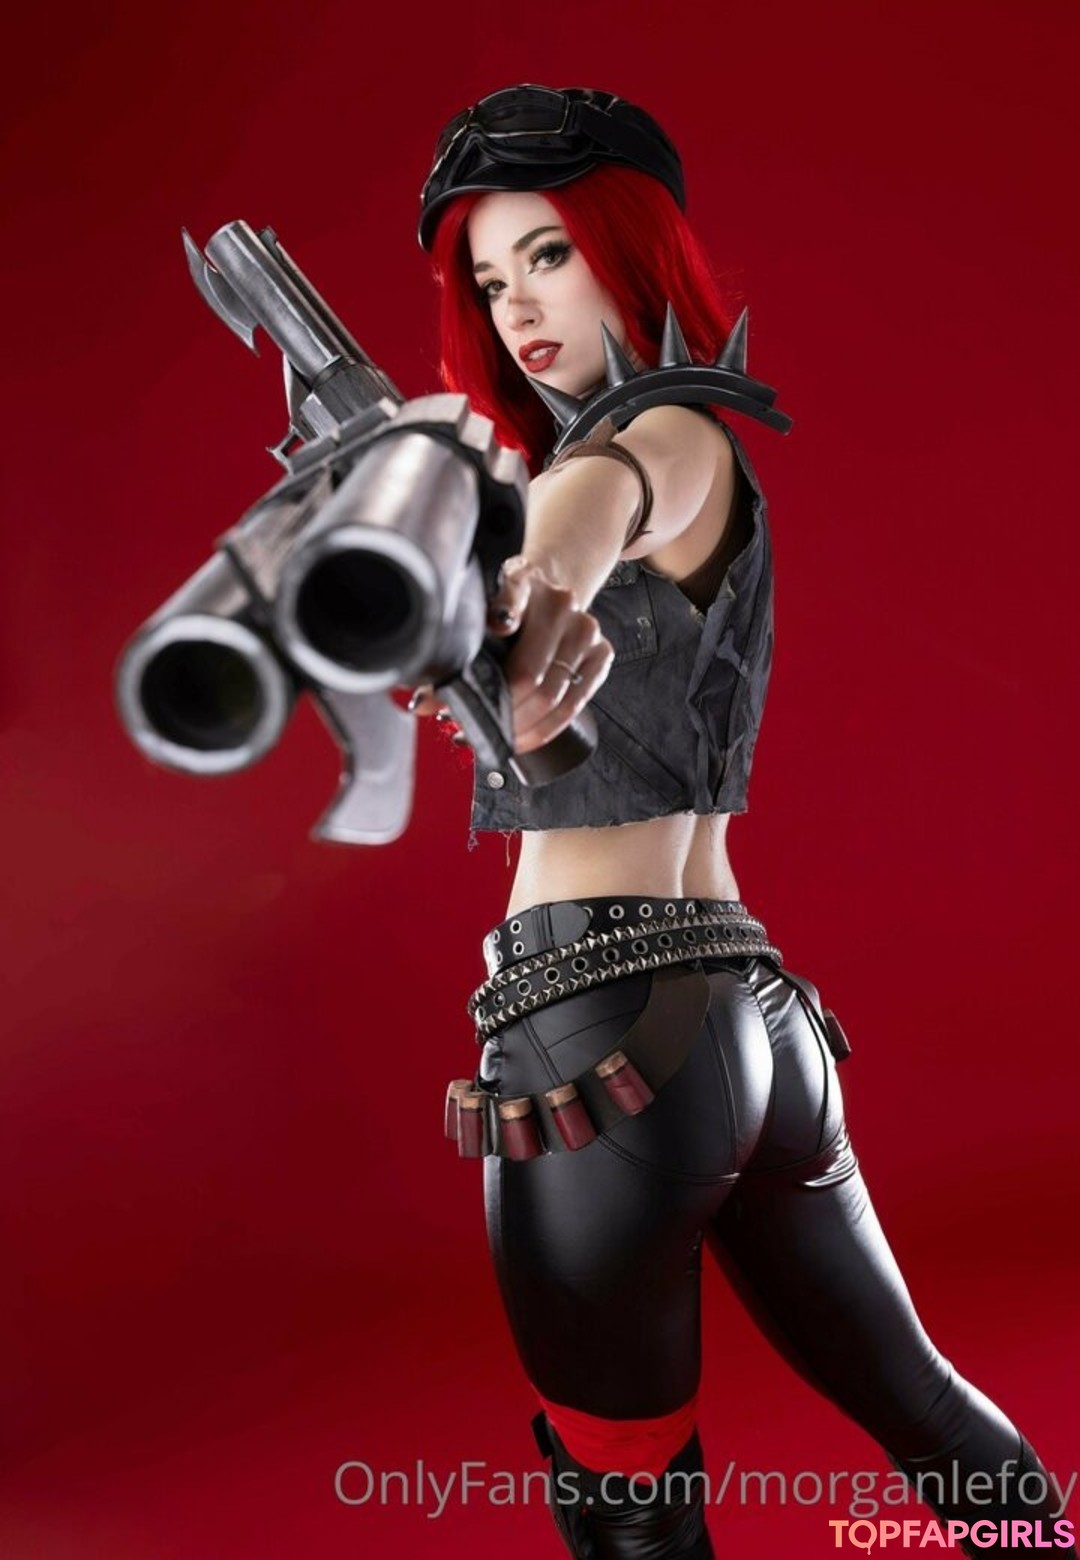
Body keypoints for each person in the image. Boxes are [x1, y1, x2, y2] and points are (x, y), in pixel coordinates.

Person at [418, 86, 1073, 1558]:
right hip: (756, 1022)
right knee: (927, 1411)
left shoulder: (646, 442)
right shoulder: (695, 449)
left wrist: (529, 589)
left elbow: (586, 514)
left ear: (630, 247)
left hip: (596, 1028)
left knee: (627, 1497)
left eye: (550, 254)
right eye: (492, 278)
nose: (519, 305)